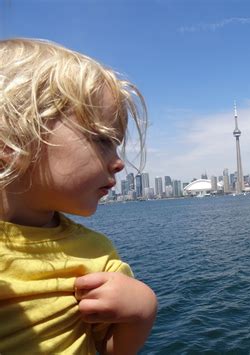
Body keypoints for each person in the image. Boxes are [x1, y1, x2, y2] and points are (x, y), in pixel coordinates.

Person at [0, 38, 157, 354]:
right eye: (102, 139)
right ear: (12, 142)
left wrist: (142, 312)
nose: (119, 162)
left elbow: (111, 349)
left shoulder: (96, 256)